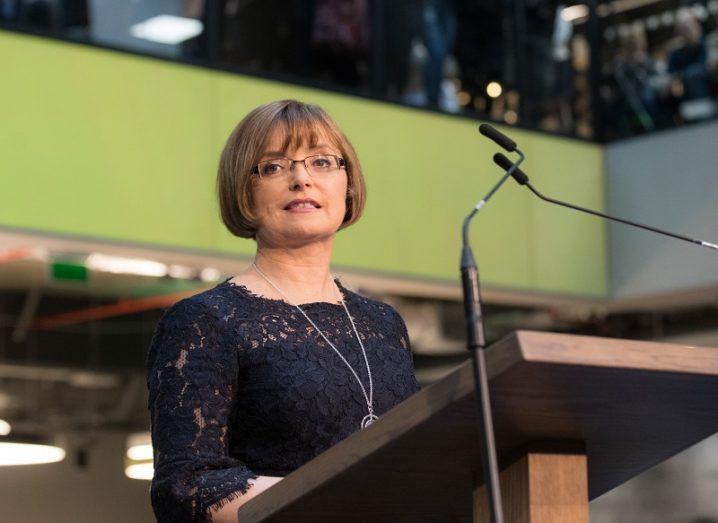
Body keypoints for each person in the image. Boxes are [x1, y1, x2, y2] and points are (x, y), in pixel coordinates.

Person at [146, 99, 422, 522]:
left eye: (323, 162)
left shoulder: (384, 324)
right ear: (245, 191)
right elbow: (187, 484)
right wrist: (338, 496)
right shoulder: (206, 321)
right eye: (274, 167)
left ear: (347, 184)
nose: (302, 179)